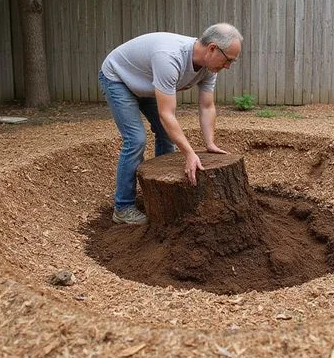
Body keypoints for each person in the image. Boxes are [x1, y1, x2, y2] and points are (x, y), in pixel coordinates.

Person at [98, 23, 243, 225]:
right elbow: (167, 114)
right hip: (119, 78)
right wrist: (189, 153)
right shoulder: (170, 57)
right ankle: (123, 208)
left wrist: (209, 143)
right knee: (136, 139)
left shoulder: (210, 68)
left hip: (148, 83)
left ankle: (162, 194)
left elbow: (207, 106)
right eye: (228, 60)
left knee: (166, 135)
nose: (227, 66)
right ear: (212, 48)